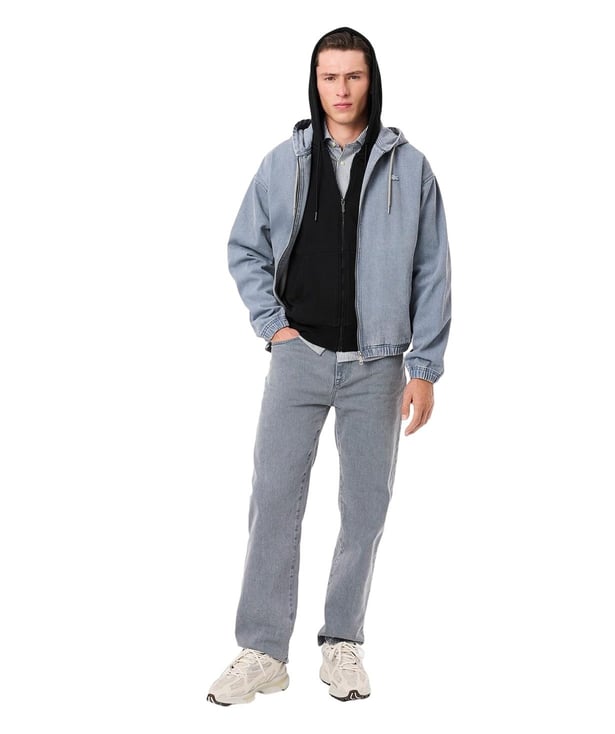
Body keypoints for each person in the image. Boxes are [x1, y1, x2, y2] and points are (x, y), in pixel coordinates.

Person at [207, 26, 451, 706]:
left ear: (372, 80)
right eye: (329, 77)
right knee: (274, 498)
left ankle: (342, 641)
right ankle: (262, 650)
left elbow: (433, 271)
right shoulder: (282, 162)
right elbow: (244, 247)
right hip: (300, 358)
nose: (341, 90)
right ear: (315, 84)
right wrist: (273, 327)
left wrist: (424, 367)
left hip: (380, 363)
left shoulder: (411, 168)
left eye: (354, 76)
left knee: (365, 506)